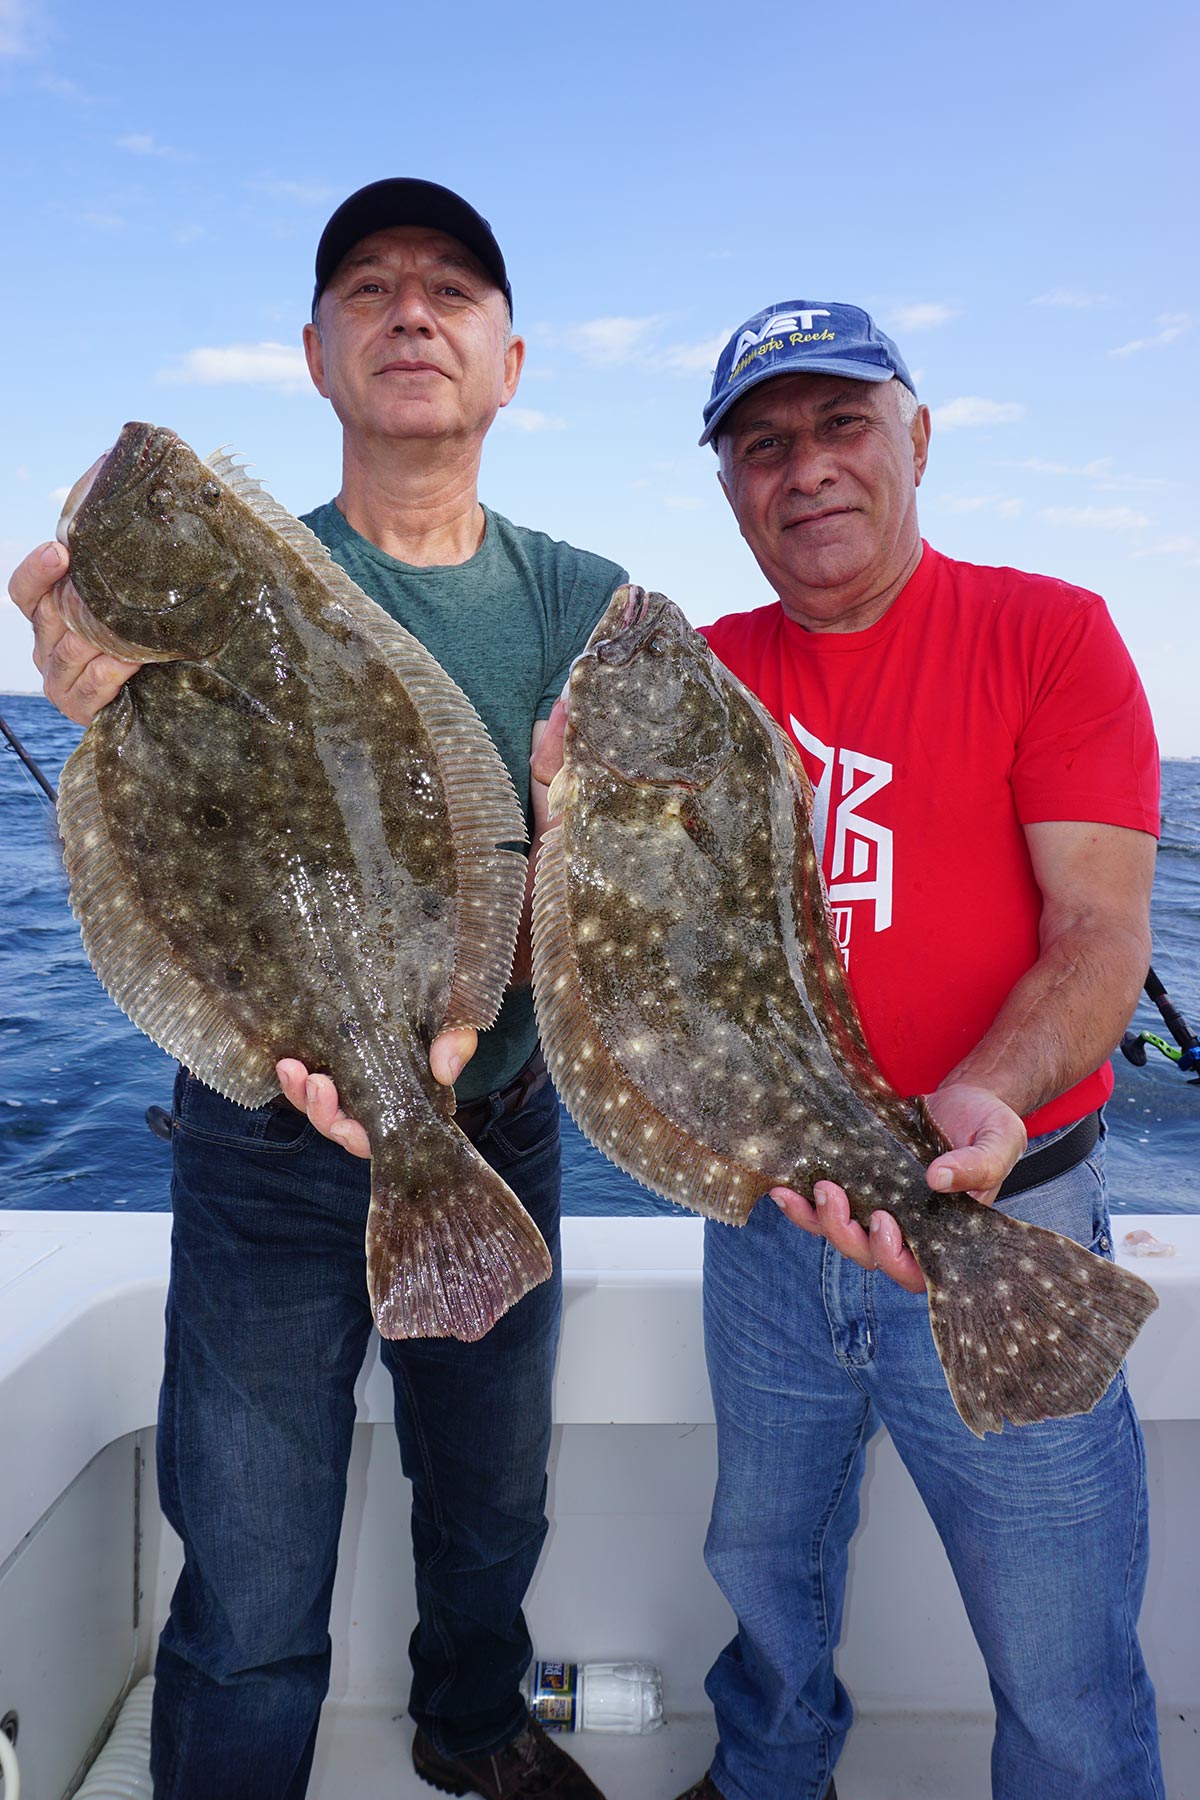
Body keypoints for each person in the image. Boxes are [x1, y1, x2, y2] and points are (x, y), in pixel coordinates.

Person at [8, 179, 624, 1800]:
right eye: (367, 286)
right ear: (313, 351)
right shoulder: (215, 596)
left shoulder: (583, 601)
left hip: (495, 1121)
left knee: (491, 1499)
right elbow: (162, 799)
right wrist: (96, 700)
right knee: (252, 1551)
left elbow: (625, 889)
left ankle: (474, 1727)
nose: (409, 310)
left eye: (451, 292)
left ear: (510, 363)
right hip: (255, 1143)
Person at [668, 303, 1163, 1800]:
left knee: (1060, 1641)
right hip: (770, 1224)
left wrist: (989, 1105)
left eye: (840, 427)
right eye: (765, 445)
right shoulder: (696, 675)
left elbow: (1097, 931)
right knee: (763, 1573)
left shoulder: (1048, 632)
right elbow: (640, 949)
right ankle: (768, 1782)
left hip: (999, 1210)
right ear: (732, 489)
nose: (805, 469)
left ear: (918, 440)